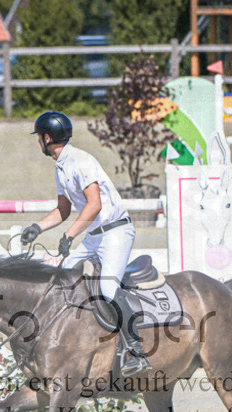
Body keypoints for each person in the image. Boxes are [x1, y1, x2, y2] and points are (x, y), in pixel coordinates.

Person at [20, 110, 150, 377]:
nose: (38, 143)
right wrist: (37, 227)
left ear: (46, 138)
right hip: (94, 235)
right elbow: (63, 210)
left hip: (115, 233)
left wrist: (69, 235)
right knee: (60, 276)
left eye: (39, 138)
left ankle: (136, 351)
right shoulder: (61, 168)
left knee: (108, 290)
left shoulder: (81, 160)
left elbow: (95, 204)